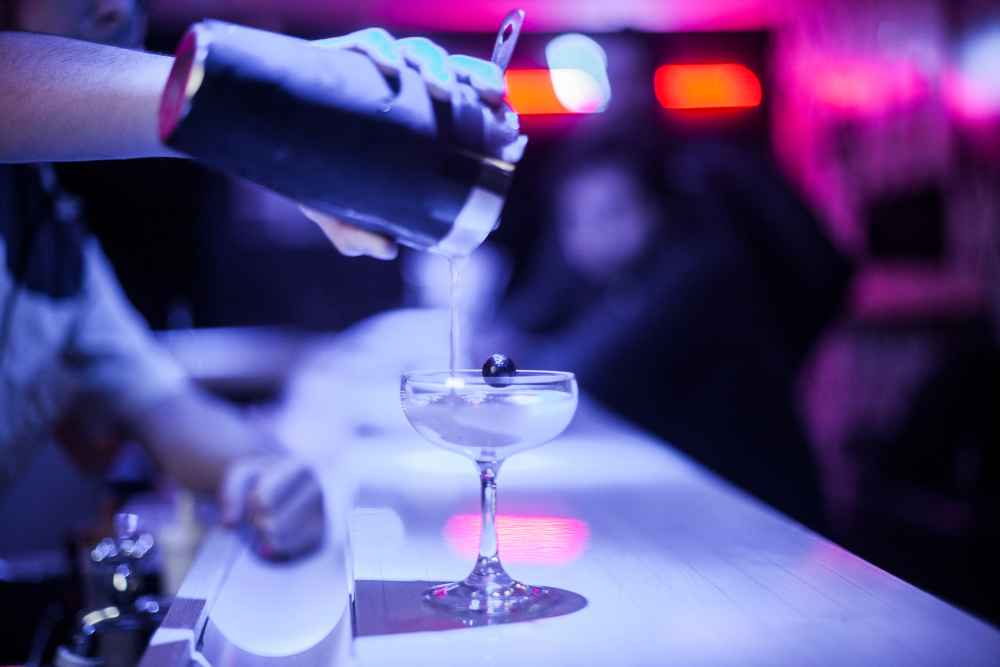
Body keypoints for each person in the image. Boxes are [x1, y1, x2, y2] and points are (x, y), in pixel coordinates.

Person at [0, 0, 510, 565]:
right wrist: (270, 97)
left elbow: (162, 402)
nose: (114, 9)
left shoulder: (48, 237)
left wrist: (265, 476)